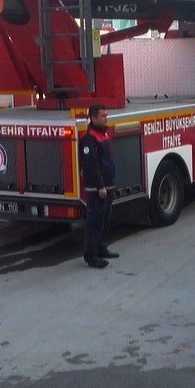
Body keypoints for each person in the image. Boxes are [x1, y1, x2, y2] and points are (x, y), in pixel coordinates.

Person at [80, 103, 118, 268]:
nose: (105, 118)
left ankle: (102, 247)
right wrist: (100, 186)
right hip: (98, 189)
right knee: (95, 222)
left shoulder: (103, 134)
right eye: (103, 116)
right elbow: (91, 165)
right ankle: (91, 255)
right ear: (93, 118)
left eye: (106, 115)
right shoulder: (89, 138)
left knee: (105, 219)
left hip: (107, 186)